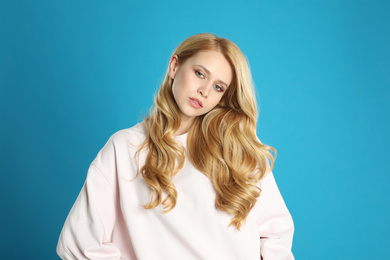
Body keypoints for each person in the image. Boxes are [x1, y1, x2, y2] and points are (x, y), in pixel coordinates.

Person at [57, 33, 294, 260]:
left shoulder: (238, 149)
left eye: (219, 87)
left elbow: (276, 235)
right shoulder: (124, 148)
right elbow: (79, 243)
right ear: (174, 66)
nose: (204, 90)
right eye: (200, 73)